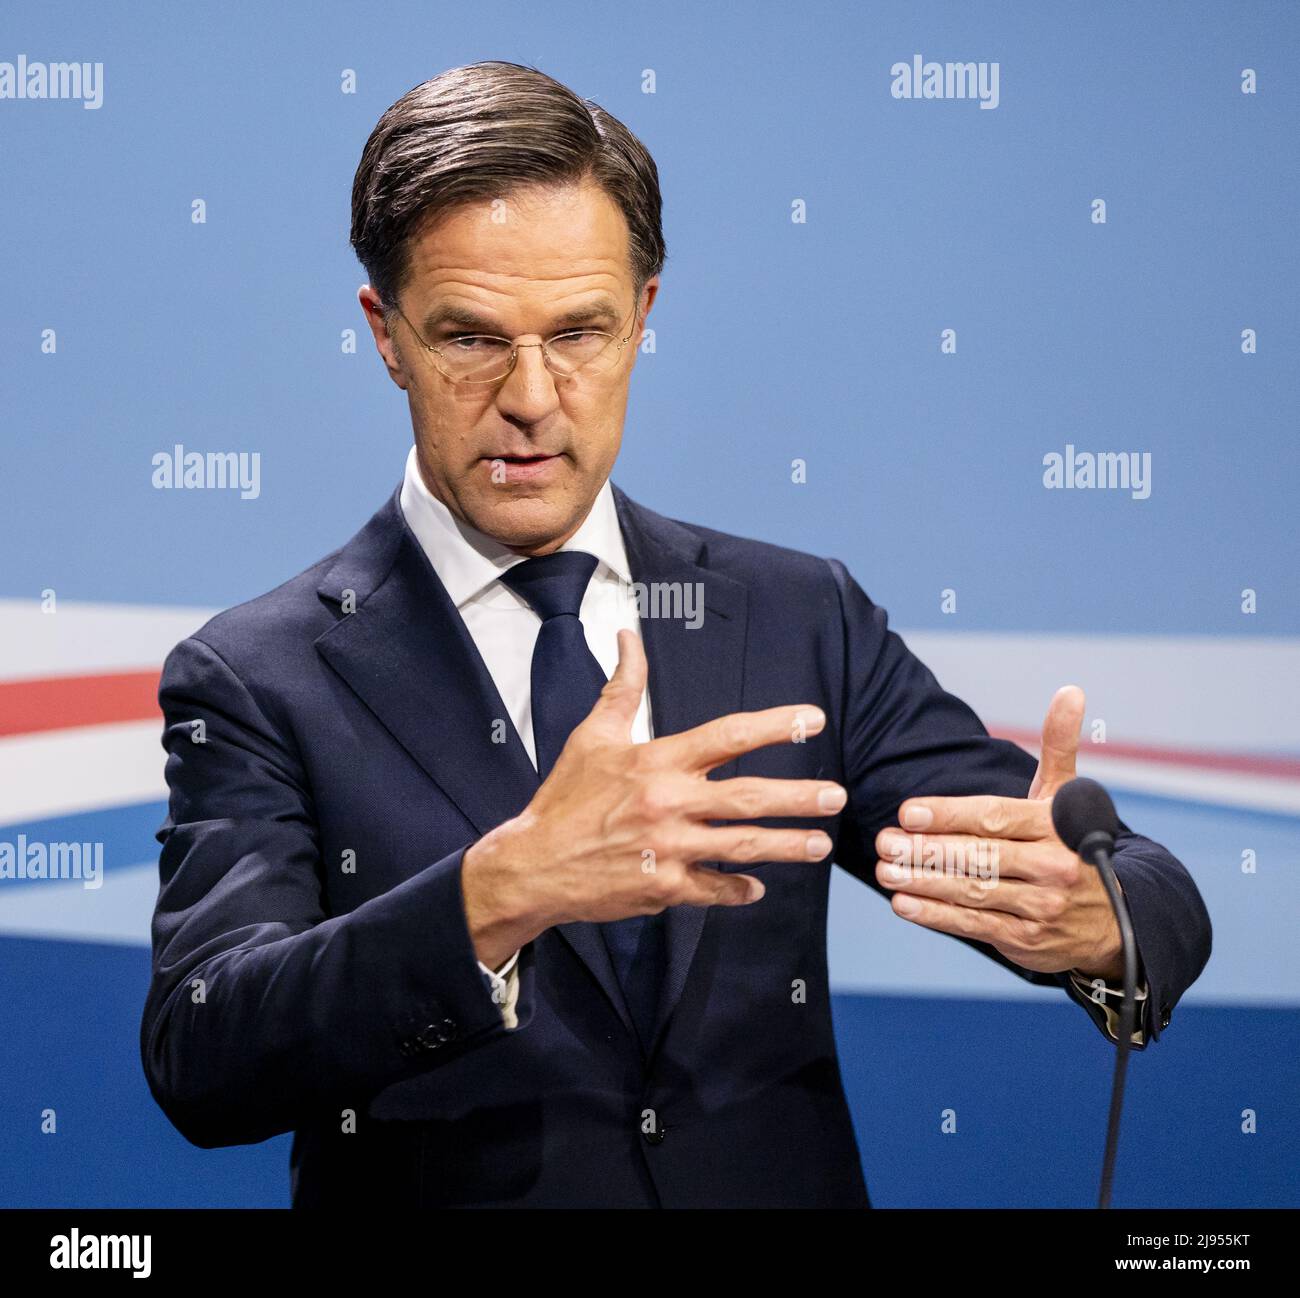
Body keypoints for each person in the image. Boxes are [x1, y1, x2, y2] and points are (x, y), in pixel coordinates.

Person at [140, 61, 1212, 1208]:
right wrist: (498, 889)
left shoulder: (796, 617)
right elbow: (206, 1049)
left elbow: (1127, 882)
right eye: (471, 338)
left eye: (579, 331)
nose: (532, 396)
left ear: (643, 316)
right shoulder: (258, 675)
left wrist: (1097, 914)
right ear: (385, 334)